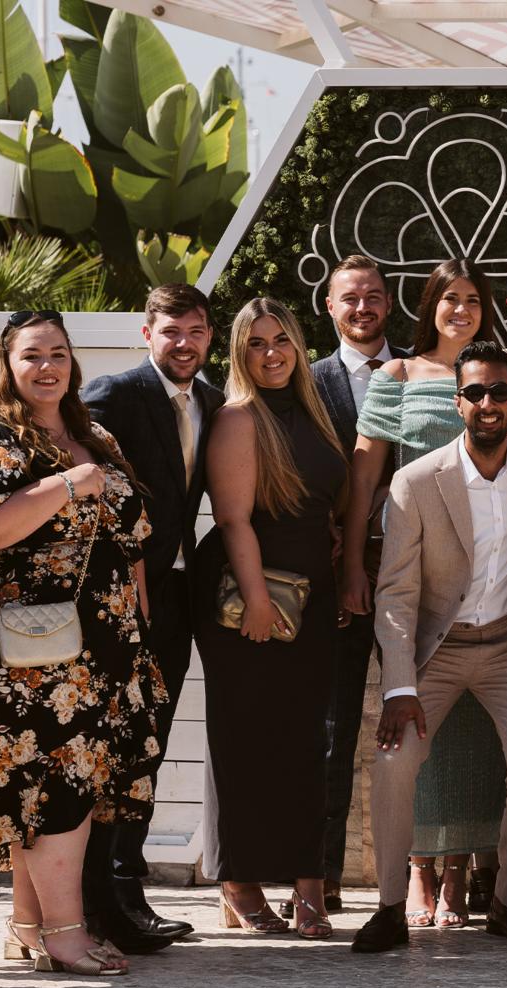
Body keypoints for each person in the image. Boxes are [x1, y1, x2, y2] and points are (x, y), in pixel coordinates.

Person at [0, 309, 168, 977]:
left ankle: (28, 926)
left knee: (73, 785)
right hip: (33, 652)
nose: (47, 366)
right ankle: (65, 934)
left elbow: (133, 541)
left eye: (57, 353)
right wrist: (62, 485)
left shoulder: (98, 435)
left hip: (105, 645)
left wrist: (139, 620)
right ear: (7, 365)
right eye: (31, 355)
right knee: (54, 785)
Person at [335, 257, 507, 927]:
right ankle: (415, 879)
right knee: (416, 739)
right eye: (448, 298)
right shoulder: (396, 376)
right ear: (429, 306)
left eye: (473, 298)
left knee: (476, 747)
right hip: (416, 581)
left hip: (495, 596)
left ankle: (460, 879)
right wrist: (354, 568)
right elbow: (365, 478)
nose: (461, 309)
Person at [353, 342, 507, 952]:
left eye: (499, 392)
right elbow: (395, 593)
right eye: (475, 393)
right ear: (458, 402)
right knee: (394, 765)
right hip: (436, 651)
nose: (488, 403)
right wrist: (399, 686)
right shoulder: (415, 482)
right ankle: (391, 908)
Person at [195, 298, 348, 940]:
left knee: (307, 742)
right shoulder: (237, 418)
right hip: (245, 596)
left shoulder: (319, 412)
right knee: (247, 742)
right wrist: (257, 600)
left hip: (311, 593)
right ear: (239, 353)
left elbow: (326, 501)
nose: (271, 353)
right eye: (255, 343)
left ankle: (309, 885)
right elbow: (233, 518)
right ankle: (240, 883)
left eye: (280, 339)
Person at [79, 283, 222, 951]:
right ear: (147, 334)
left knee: (150, 744)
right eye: (172, 331)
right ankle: (101, 898)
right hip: (115, 602)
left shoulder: (213, 402)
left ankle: (126, 891)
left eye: (196, 331)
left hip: (172, 599)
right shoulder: (114, 395)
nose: (184, 343)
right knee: (113, 745)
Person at [310, 254, 413, 915]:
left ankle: (427, 880)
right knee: (332, 728)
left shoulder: (417, 372)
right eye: (351, 297)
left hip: (412, 568)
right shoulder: (306, 380)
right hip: (334, 573)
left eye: (374, 295)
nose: (363, 306)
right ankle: (319, 878)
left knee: (420, 722)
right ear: (330, 306)